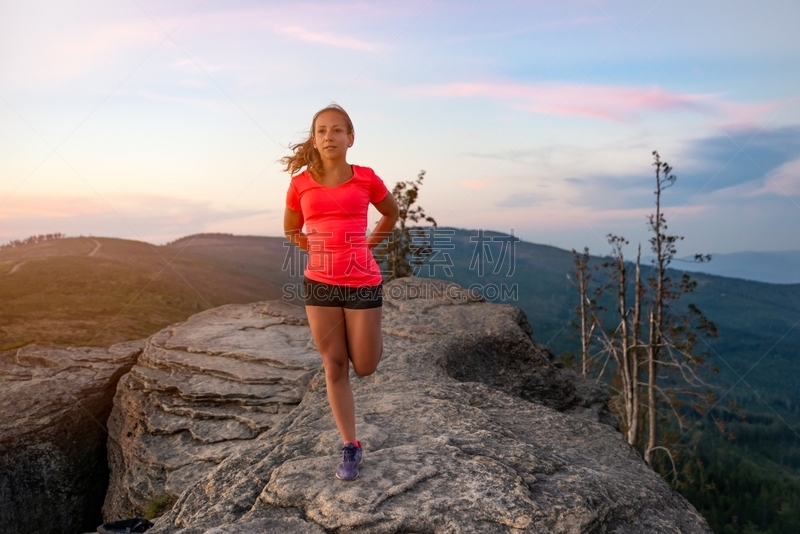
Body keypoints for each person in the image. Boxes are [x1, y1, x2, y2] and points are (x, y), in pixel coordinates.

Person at [282, 104, 399, 480]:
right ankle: (350, 445)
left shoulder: (366, 179)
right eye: (321, 131)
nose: (328, 137)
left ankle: (371, 336)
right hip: (320, 285)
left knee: (363, 366)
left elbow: (391, 214)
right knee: (334, 366)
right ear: (314, 140)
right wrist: (318, 250)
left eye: (336, 130)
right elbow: (291, 230)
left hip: (362, 282)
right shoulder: (300, 183)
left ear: (350, 138)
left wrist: (366, 244)